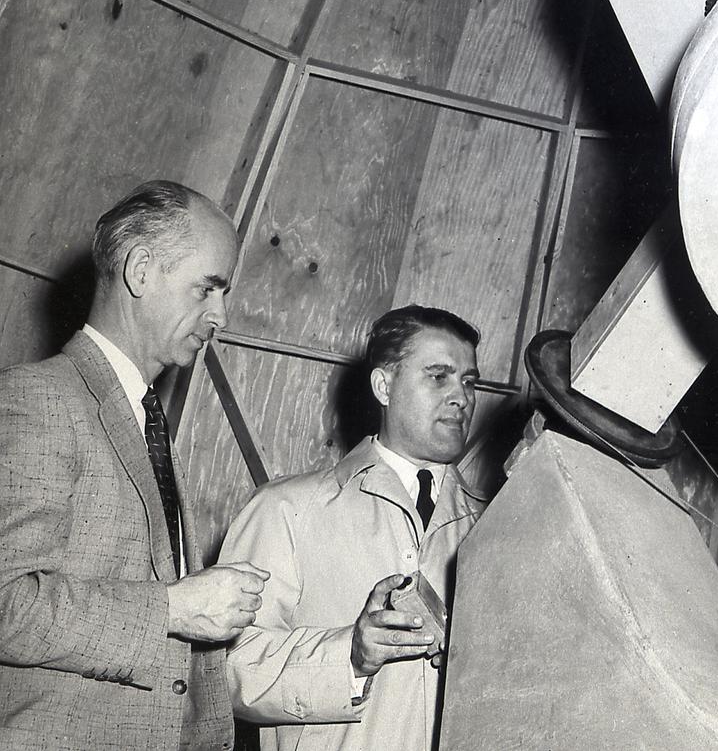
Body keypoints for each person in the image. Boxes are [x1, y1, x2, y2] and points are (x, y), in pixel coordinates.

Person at [0, 180, 270, 751]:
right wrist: (174, 607)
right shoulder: (37, 399)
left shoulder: (145, 418)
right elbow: (7, 605)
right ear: (141, 270)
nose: (220, 315)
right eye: (208, 288)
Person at [220, 304, 489, 750]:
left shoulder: (495, 527)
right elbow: (228, 670)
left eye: (468, 381)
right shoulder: (285, 509)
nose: (461, 397)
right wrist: (350, 656)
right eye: (438, 376)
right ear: (384, 386)